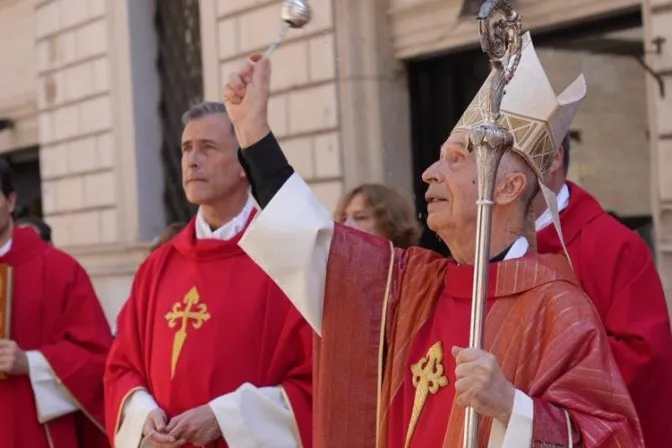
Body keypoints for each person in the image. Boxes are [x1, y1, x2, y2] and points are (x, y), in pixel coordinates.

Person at [224, 33, 644, 447]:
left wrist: (512, 408)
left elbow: (611, 439)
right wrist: (254, 135)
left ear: (508, 187)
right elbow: (316, 249)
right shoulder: (412, 284)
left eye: (457, 159)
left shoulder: (559, 310)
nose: (430, 172)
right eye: (440, 158)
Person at [104, 101, 312, 448]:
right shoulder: (158, 267)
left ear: (244, 165)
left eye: (208, 148)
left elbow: (312, 381)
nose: (192, 160)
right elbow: (122, 366)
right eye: (187, 148)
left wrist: (226, 418)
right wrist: (144, 418)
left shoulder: (283, 259)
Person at [534, 135, 672, 447]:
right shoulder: (481, 249)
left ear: (554, 157)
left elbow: (643, 356)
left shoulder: (613, 245)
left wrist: (532, 388)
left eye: (509, 149)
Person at [0, 158, 113, 448]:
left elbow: (97, 360)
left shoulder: (60, 270)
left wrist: (31, 363)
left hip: (31, 432)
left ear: (11, 202)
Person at [334, 184, 421, 248]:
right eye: (344, 218)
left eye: (360, 217)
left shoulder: (416, 269)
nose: (346, 225)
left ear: (389, 223)